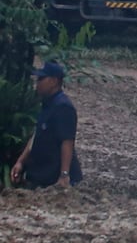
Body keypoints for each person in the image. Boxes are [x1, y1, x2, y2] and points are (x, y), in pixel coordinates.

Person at [9, 60, 82, 189]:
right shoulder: (47, 104)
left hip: (54, 178)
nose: (37, 83)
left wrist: (64, 175)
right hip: (42, 175)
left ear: (54, 81)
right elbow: (37, 135)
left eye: (41, 79)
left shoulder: (63, 107)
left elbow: (67, 141)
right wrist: (20, 162)